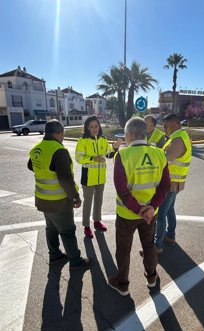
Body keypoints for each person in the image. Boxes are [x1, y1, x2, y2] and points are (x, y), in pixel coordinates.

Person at [108, 117, 170, 296]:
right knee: (149, 246)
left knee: (124, 249)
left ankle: (123, 284)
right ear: (145, 133)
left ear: (129, 134)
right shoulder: (159, 154)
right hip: (150, 215)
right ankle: (151, 278)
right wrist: (150, 208)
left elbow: (122, 190)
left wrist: (138, 209)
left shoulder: (123, 155)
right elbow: (165, 186)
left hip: (127, 215)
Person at [28, 119, 91, 270]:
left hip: (42, 199)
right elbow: (65, 178)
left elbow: (31, 165)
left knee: (51, 228)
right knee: (68, 231)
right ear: (58, 133)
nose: (63, 137)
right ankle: (76, 261)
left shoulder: (37, 148)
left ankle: (54, 255)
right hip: (58, 201)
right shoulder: (59, 150)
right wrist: (75, 197)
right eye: (62, 134)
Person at [75, 115, 121, 238]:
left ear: (99, 126)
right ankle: (86, 226)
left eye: (96, 126)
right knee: (88, 203)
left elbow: (109, 155)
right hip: (88, 178)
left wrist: (115, 149)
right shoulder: (82, 140)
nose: (94, 128)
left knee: (99, 201)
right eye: (91, 127)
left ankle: (96, 221)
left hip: (101, 178)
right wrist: (93, 159)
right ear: (87, 128)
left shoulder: (103, 139)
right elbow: (78, 158)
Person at [154, 113, 192, 254]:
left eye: (166, 126)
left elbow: (165, 160)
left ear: (174, 124)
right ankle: (170, 236)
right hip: (174, 182)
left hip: (171, 183)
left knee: (161, 213)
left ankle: (157, 245)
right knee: (169, 209)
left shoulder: (177, 140)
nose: (164, 129)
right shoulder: (178, 137)